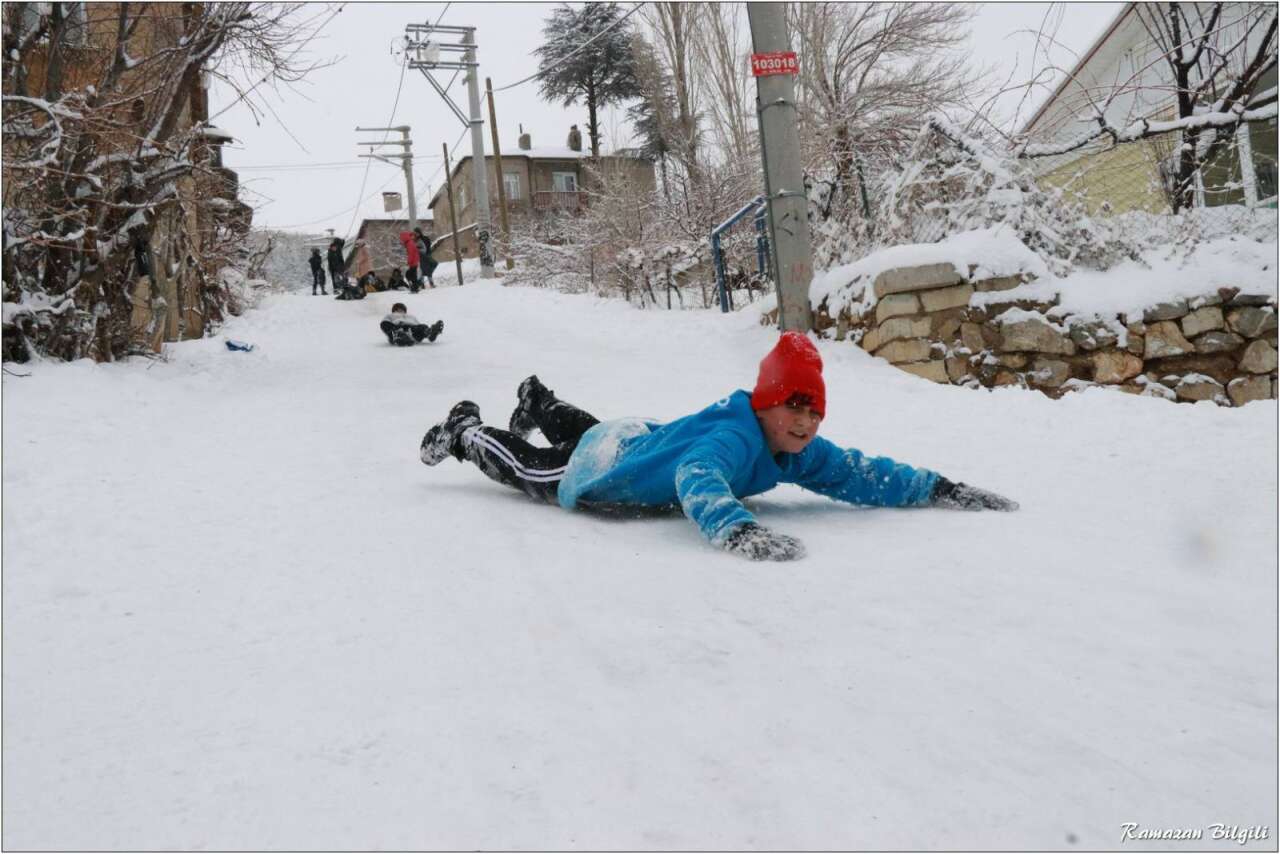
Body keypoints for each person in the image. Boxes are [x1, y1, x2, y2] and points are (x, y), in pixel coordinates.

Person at [418, 332, 1018, 561]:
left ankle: (539, 400)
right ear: (766, 403)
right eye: (794, 408)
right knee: (529, 468)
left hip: (635, 437)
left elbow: (859, 472)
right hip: (605, 464)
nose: (806, 423)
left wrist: (939, 488)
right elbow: (698, 476)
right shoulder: (736, 436)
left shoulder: (796, 448)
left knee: (593, 428)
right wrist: (736, 529)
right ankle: (466, 430)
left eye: (814, 412)